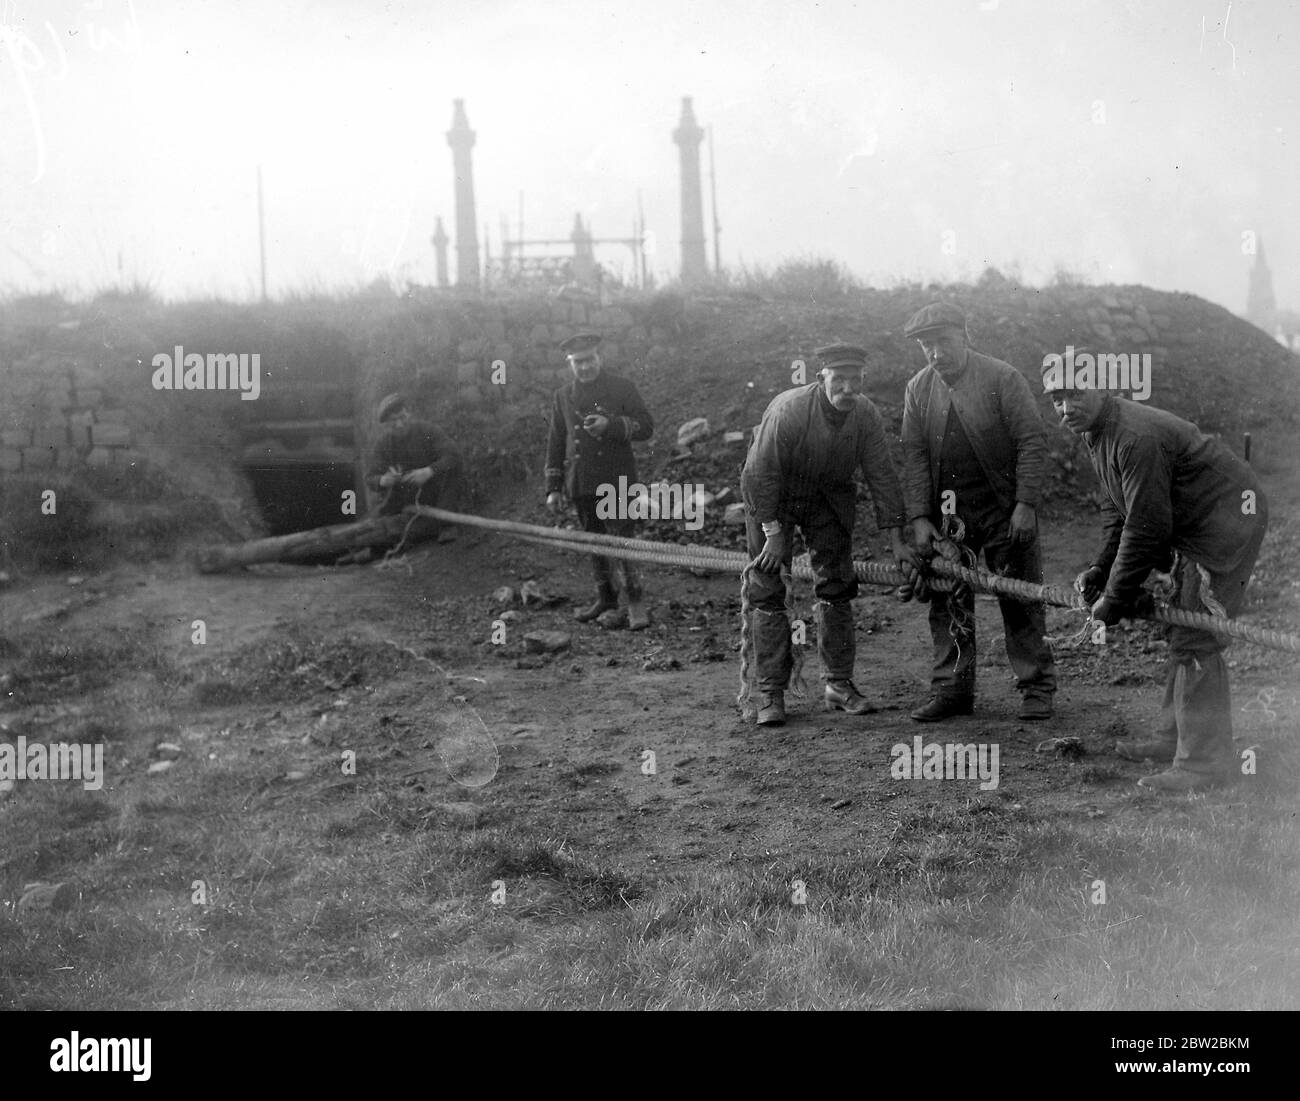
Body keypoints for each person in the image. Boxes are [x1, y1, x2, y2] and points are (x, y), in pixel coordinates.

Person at [1044, 365, 1268, 792]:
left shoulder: (1133, 435)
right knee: (1179, 626)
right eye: (1055, 399)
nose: (1065, 407)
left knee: (1195, 633)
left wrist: (1114, 596)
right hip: (1193, 522)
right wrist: (1100, 568)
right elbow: (1119, 508)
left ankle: (1204, 764)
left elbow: (1146, 526)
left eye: (1074, 394)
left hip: (1229, 520)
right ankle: (1173, 739)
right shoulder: (1098, 430)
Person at [740, 342, 921, 726]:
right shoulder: (789, 410)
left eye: (855, 380)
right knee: (768, 583)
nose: (848, 389)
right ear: (821, 378)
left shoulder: (866, 415)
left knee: (837, 582)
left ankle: (838, 684)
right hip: (775, 495)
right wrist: (772, 532)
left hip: (827, 496)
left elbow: (882, 477)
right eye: (839, 380)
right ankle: (771, 691)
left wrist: (898, 542)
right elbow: (760, 473)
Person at [900, 302, 1057, 722]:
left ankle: (1036, 687)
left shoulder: (1002, 377)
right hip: (949, 516)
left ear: (965, 337)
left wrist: (1025, 505)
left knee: (1019, 595)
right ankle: (953, 690)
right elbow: (914, 453)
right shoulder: (918, 388)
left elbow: (1032, 442)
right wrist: (919, 518)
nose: (936, 354)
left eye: (944, 342)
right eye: (926, 346)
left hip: (1004, 510)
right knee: (947, 599)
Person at [544, 332, 655, 630]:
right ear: (570, 364)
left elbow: (646, 427)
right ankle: (605, 597)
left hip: (617, 480)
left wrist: (613, 425)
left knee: (622, 541)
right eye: (578, 362)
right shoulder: (563, 396)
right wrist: (553, 487)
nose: (585, 367)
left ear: (599, 357)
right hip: (581, 481)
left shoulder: (622, 388)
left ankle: (635, 602)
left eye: (590, 359)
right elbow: (556, 442)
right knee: (593, 539)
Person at [365, 392, 465, 544]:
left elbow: (454, 455)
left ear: (409, 413)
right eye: (393, 421)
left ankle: (446, 526)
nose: (399, 424)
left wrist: (429, 471)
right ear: (386, 424)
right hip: (404, 500)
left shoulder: (427, 430)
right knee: (376, 529)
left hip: (435, 495)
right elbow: (370, 478)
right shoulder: (383, 444)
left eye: (402, 417)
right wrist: (383, 480)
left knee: (453, 469)